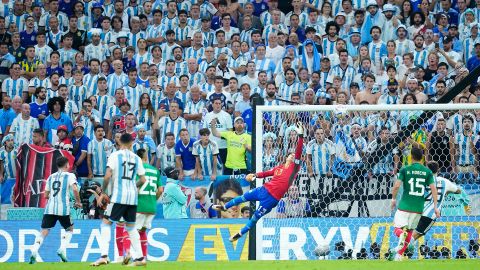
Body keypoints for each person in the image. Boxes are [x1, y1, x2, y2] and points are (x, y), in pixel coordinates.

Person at [214, 122, 304, 242]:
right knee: (243, 197)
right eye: (291, 155)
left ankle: (240, 233)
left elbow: (298, 152)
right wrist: (254, 175)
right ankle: (224, 206)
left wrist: (301, 136)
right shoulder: (279, 168)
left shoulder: (295, 168)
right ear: (287, 157)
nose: (293, 156)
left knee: (256, 216)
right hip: (263, 189)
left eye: (294, 156)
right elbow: (266, 173)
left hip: (272, 199)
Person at [91, 133, 146, 266]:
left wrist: (103, 192)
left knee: (106, 223)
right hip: (132, 198)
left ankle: (104, 256)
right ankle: (140, 259)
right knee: (131, 228)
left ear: (119, 142)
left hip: (118, 197)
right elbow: (143, 179)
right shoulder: (136, 158)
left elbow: (107, 176)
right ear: (132, 143)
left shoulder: (115, 155)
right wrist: (133, 185)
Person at [388, 147, 440, 261]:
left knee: (398, 228)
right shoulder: (427, 172)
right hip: (418, 208)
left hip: (404, 206)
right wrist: (436, 207)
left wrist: (393, 199)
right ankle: (398, 256)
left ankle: (401, 235)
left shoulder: (405, 169)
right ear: (422, 157)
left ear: (411, 157)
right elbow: (433, 189)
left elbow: (396, 186)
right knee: (410, 231)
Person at [406, 161, 468, 254]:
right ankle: (398, 250)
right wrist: (447, 191)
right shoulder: (445, 182)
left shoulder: (423, 180)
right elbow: (458, 191)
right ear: (438, 170)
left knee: (419, 232)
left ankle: (409, 246)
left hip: (419, 210)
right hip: (431, 213)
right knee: (415, 234)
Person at [29, 156, 82, 264]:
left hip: (50, 208)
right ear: (67, 165)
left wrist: (53, 198)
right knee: (69, 229)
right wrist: (78, 201)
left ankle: (34, 250)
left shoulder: (51, 177)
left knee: (44, 231)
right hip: (63, 209)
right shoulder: (70, 175)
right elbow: (75, 189)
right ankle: (62, 249)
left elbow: (46, 195)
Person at [135, 149, 162, 259]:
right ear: (146, 157)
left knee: (132, 232)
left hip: (139, 205)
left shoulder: (137, 170)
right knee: (142, 232)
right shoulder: (155, 171)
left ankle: (135, 257)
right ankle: (144, 257)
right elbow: (160, 190)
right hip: (151, 206)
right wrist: (152, 200)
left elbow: (135, 187)